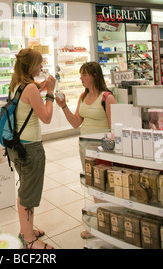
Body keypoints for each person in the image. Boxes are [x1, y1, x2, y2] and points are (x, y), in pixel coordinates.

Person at [55, 61, 117, 239]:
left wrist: (107, 152)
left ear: (95, 76)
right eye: (80, 75)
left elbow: (114, 130)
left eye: (84, 75)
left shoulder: (107, 98)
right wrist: (64, 106)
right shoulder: (83, 96)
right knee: (93, 186)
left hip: (103, 150)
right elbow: (76, 123)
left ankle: (106, 225)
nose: (80, 78)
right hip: (85, 148)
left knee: (104, 186)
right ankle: (99, 224)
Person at [7, 47, 56, 250]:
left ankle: (25, 230)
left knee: (25, 190)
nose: (42, 66)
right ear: (30, 65)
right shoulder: (31, 88)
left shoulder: (16, 84)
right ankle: (29, 240)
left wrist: (42, 86)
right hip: (30, 148)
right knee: (29, 193)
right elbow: (46, 117)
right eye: (39, 63)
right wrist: (50, 93)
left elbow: (29, 95)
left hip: (16, 146)